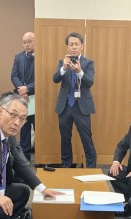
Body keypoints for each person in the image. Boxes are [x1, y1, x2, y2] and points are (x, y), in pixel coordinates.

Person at [52, 32, 96, 168]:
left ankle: (91, 167)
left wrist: (79, 72)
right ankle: (67, 166)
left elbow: (89, 82)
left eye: (77, 44)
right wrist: (64, 68)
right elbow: (55, 79)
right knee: (65, 139)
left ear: (82, 46)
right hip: (65, 106)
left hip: (81, 107)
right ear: (67, 47)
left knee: (86, 139)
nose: (74, 47)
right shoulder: (62, 62)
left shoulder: (88, 63)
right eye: (71, 44)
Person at [11, 32, 35, 159]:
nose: (26, 44)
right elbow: (14, 76)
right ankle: (25, 158)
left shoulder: (41, 57)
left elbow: (43, 77)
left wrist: (28, 88)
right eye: (24, 42)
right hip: (22, 97)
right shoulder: (18, 57)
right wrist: (22, 90)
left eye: (29, 41)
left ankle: (41, 159)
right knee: (24, 127)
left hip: (36, 97)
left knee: (38, 127)